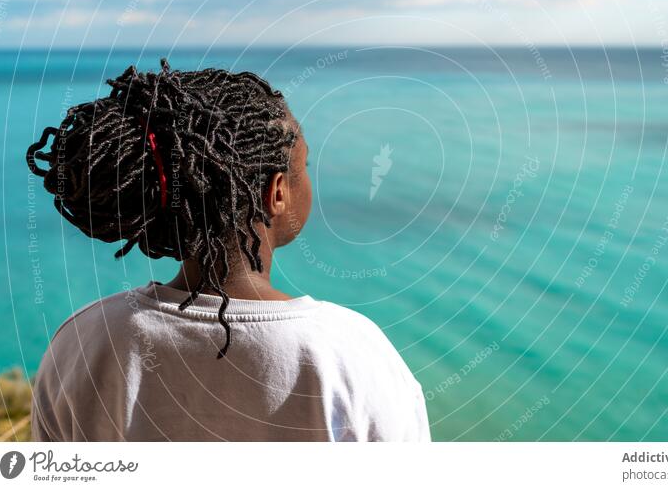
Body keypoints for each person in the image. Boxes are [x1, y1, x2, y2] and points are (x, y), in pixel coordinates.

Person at [26, 59, 430, 442]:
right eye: (304, 165)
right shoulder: (352, 353)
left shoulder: (84, 342)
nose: (308, 177)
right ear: (277, 192)